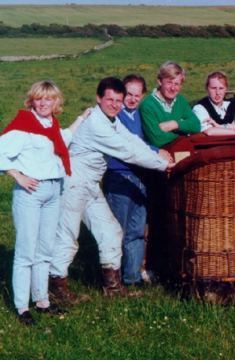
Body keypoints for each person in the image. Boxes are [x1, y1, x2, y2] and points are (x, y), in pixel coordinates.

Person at [48, 77, 174, 304]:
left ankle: (113, 287)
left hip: (90, 184)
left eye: (119, 100)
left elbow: (133, 141)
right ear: (99, 99)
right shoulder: (96, 124)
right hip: (73, 184)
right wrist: (164, 165)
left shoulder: (111, 121)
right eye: (110, 100)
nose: (115, 104)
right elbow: (128, 152)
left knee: (111, 232)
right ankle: (56, 288)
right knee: (67, 236)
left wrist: (158, 157)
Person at [0, 81, 90, 325]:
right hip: (30, 193)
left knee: (45, 249)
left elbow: (63, 137)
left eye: (49, 99)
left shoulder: (51, 124)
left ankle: (42, 300)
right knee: (26, 252)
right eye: (38, 99)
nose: (43, 103)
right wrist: (18, 175)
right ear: (31, 101)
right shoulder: (24, 126)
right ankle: (22, 307)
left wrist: (82, 117)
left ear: (56, 102)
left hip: (54, 190)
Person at [102, 74, 173, 287]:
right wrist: (155, 151)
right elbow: (128, 144)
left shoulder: (139, 115)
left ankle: (132, 278)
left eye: (137, 95)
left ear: (143, 95)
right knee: (117, 231)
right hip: (120, 176)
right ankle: (112, 281)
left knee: (136, 231)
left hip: (140, 178)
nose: (132, 100)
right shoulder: (117, 116)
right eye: (128, 94)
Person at [140, 61, 201, 148]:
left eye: (176, 84)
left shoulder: (180, 100)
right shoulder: (147, 106)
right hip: (159, 156)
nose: (173, 88)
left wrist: (174, 124)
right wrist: (184, 131)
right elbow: (157, 140)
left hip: (179, 151)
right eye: (169, 83)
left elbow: (196, 125)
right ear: (160, 81)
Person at [192, 70, 235, 140]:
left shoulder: (231, 104)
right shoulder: (200, 108)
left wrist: (220, 126)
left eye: (221, 88)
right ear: (207, 88)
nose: (217, 92)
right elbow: (210, 131)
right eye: (213, 88)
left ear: (226, 88)